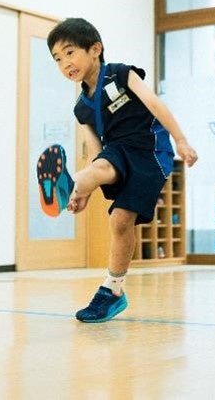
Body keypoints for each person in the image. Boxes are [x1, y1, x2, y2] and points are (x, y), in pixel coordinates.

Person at [46, 17, 198, 323]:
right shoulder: (81, 108)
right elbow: (94, 150)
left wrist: (181, 140)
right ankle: (73, 185)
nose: (65, 64)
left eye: (70, 53)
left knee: (120, 220)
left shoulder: (120, 74)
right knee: (100, 167)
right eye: (58, 59)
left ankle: (112, 289)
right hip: (116, 152)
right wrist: (86, 191)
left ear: (95, 49)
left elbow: (155, 105)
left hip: (150, 151)